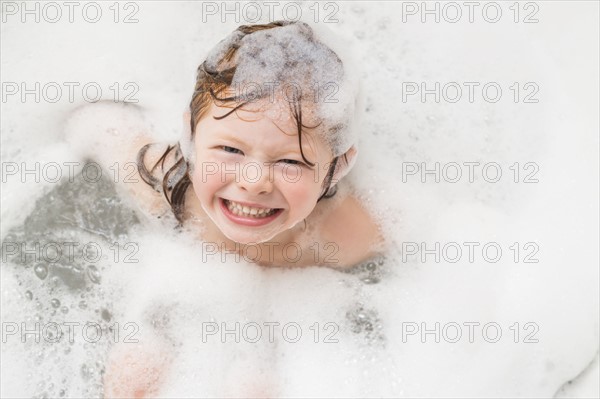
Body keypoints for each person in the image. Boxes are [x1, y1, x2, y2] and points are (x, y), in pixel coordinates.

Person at [80, 20, 387, 397]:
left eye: (290, 161)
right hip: (184, 298)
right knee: (132, 374)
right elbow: (96, 121)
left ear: (337, 168)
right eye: (230, 150)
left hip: (288, 322)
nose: (254, 180)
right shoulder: (163, 184)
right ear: (190, 138)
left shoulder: (347, 232)